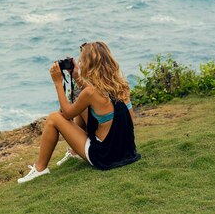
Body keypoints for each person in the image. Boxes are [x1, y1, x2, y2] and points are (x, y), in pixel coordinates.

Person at [17, 41, 141, 183]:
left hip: (104, 156)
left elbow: (66, 114)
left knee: (53, 118)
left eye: (81, 60)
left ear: (89, 64)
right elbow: (99, 99)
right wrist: (76, 77)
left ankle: (40, 169)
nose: (80, 64)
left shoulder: (90, 93)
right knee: (83, 106)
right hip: (126, 152)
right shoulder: (121, 86)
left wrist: (58, 83)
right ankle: (75, 152)